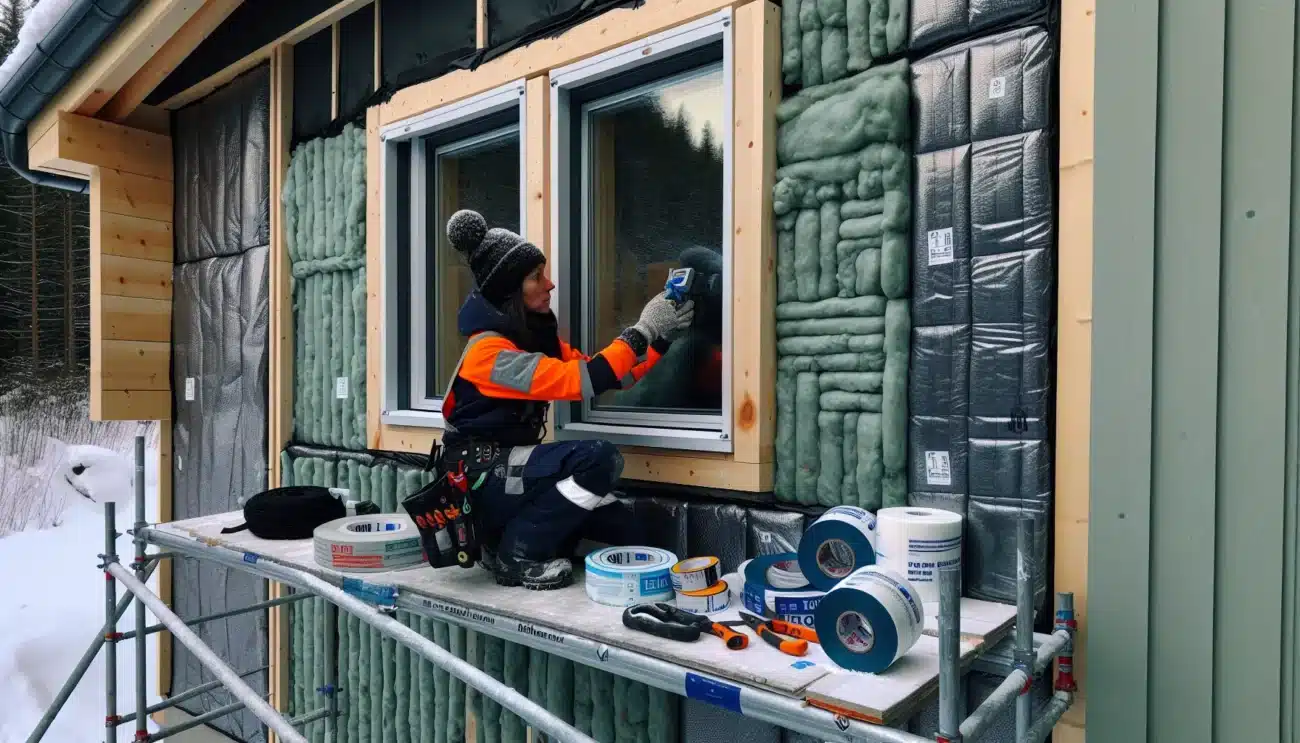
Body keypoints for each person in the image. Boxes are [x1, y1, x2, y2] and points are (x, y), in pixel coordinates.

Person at [436, 209, 694, 590]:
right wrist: (643, 328)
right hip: (481, 482)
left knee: (627, 528)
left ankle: (508, 540)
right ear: (510, 289)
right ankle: (516, 555)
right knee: (598, 459)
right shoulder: (488, 354)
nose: (550, 284)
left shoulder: (530, 341)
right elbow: (582, 381)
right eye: (536, 277)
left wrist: (660, 339)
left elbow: (610, 376)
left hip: (510, 476)